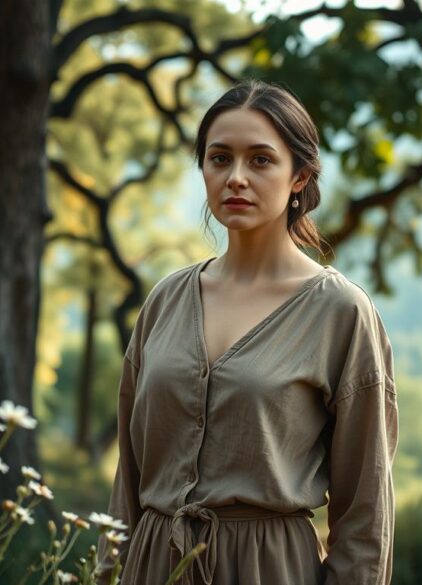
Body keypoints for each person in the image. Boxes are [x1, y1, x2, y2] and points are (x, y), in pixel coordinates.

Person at [94, 79, 398, 585]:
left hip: (268, 569)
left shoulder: (341, 312)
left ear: (299, 176)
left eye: (260, 160)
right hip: (152, 566)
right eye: (219, 159)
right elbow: (128, 479)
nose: (236, 177)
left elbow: (366, 511)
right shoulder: (166, 301)